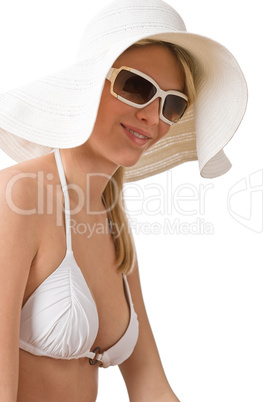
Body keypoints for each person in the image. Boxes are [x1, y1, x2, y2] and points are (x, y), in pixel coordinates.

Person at [0, 0, 247, 401]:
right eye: (136, 87)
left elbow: (150, 384)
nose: (155, 117)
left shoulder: (112, 220)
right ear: (87, 85)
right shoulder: (19, 198)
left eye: (173, 104)